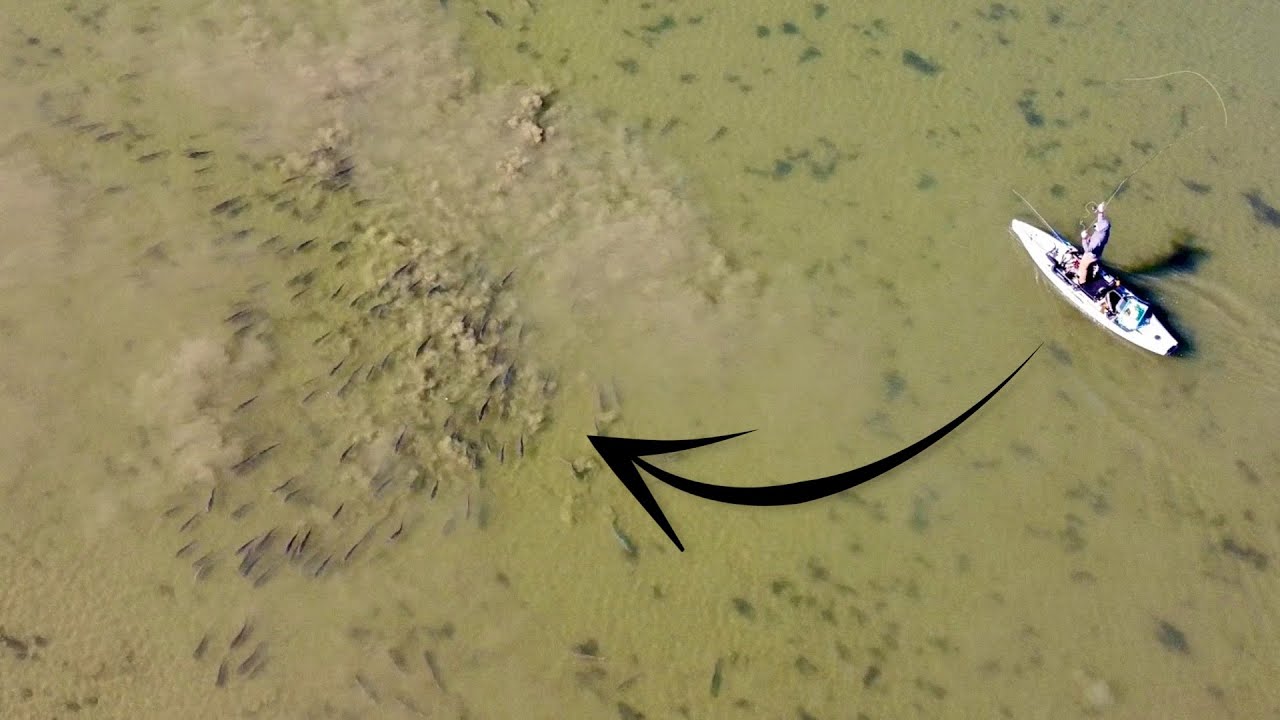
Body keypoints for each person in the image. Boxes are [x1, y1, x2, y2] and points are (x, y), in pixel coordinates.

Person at [1070, 202, 1111, 284]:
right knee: (1090, 266)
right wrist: (1100, 211)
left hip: (1091, 255)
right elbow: (1101, 220)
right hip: (1097, 254)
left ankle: (1082, 282)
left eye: (1096, 227)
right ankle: (1090, 274)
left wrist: (1084, 238)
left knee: (1083, 267)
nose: (1095, 226)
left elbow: (1087, 249)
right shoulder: (1105, 230)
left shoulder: (1098, 240)